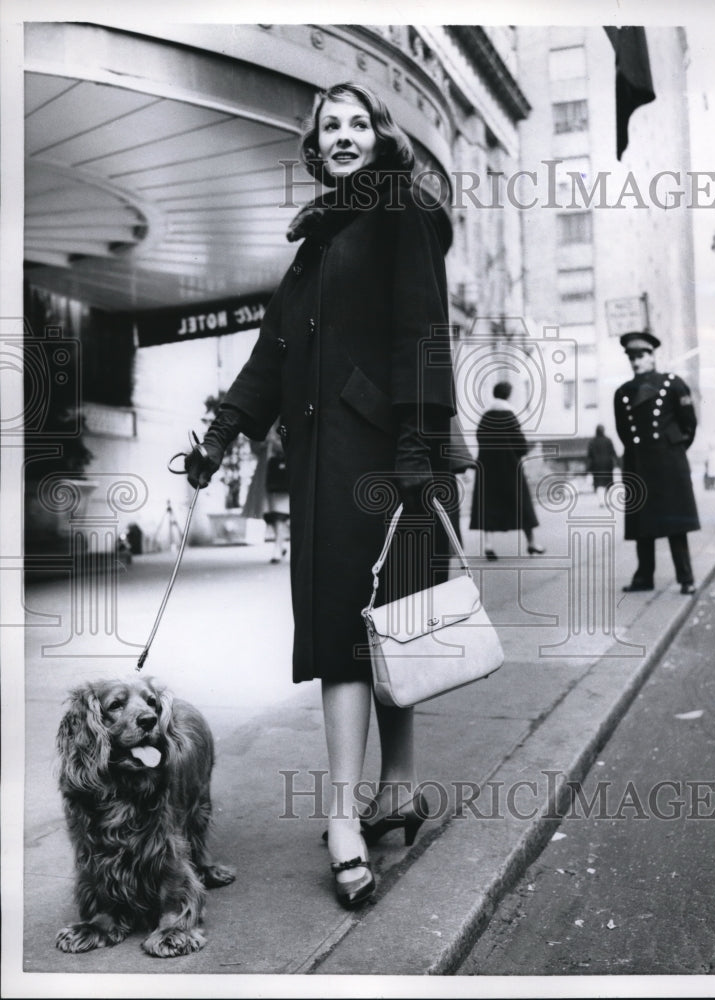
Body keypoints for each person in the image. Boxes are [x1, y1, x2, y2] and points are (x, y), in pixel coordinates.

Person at [183, 82, 456, 908]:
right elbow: (271, 355)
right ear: (315, 147)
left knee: (369, 628)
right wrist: (221, 435)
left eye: (356, 123)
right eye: (328, 126)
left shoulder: (399, 210)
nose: (342, 135)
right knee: (370, 625)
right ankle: (395, 792)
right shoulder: (318, 239)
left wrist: (416, 445)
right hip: (329, 461)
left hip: (384, 459)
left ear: (380, 136)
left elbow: (424, 331)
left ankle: (346, 816)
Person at [613, 331, 700, 595]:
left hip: (669, 462)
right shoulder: (623, 392)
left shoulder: (673, 384)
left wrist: (672, 449)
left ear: (652, 356)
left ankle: (686, 577)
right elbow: (623, 431)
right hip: (639, 462)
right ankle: (644, 577)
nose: (636, 362)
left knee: (676, 523)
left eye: (640, 356)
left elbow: (689, 424)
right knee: (643, 524)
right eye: (632, 357)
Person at [469, 380, 544, 559]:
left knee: (488, 505)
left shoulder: (485, 417)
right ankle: (531, 543)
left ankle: (488, 545)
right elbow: (521, 445)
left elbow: (479, 438)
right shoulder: (510, 416)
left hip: (487, 469)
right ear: (508, 395)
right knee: (522, 505)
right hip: (510, 467)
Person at [262, 425, 290, 563]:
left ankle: (277, 548)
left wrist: (273, 441)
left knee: (280, 516)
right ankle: (281, 544)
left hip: (284, 478)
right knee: (272, 516)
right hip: (270, 477)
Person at [586, 423, 618, 506]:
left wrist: (589, 468)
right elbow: (613, 453)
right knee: (607, 483)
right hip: (607, 465)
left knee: (599, 483)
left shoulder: (592, 442)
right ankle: (606, 500)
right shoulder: (608, 440)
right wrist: (615, 464)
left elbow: (589, 456)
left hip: (596, 466)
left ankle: (601, 501)